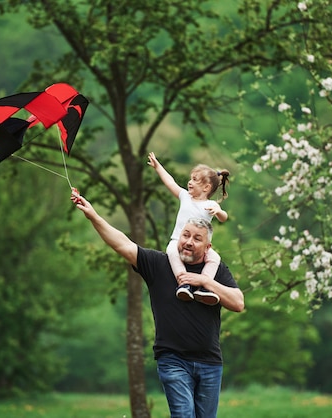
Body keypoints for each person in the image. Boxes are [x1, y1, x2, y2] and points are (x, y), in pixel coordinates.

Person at [70, 189, 244, 418]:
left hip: (209, 362)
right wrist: (93, 215)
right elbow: (122, 244)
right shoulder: (159, 264)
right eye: (186, 235)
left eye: (197, 238)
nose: (189, 242)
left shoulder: (216, 270)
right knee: (183, 415)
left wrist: (204, 281)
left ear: (208, 247)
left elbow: (238, 302)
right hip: (173, 360)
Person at [147, 152, 230, 305]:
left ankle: (204, 286)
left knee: (215, 258)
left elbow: (224, 217)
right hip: (178, 240)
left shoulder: (210, 205)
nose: (189, 182)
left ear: (206, 187)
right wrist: (158, 167)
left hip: (201, 247)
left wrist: (218, 212)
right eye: (191, 178)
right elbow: (170, 182)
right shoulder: (185, 196)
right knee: (171, 251)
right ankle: (183, 282)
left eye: (195, 180)